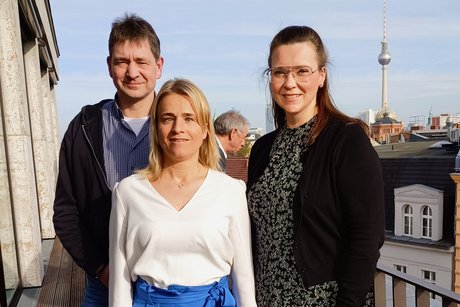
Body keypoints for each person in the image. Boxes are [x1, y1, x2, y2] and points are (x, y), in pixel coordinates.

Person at [246, 26, 385, 306]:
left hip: (323, 300)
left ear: (321, 75)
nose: (290, 82)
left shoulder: (346, 139)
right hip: (267, 299)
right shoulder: (262, 148)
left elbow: (366, 237)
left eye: (302, 71)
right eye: (280, 72)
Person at [109, 78, 257, 307]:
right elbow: (119, 281)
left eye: (189, 119)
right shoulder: (128, 192)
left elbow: (243, 277)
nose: (178, 128)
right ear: (156, 129)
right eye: (168, 119)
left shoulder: (231, 191)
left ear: (205, 129)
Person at [53, 13, 163, 306]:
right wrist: (101, 267)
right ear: (109, 66)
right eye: (121, 61)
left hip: (169, 287)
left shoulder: (180, 126)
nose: (132, 72)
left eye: (141, 61)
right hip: (104, 285)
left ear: (159, 66)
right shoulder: (84, 127)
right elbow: (66, 211)